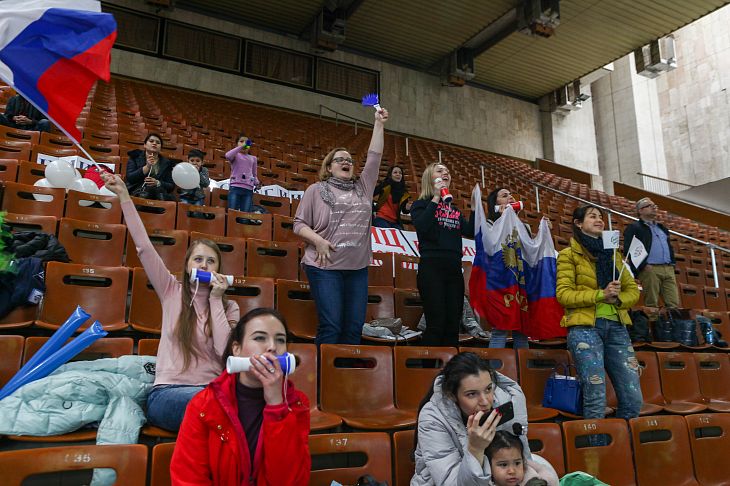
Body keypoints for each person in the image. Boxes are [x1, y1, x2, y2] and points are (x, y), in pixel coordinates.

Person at [101, 171, 240, 431]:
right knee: (211, 407)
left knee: (227, 405)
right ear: (187, 266)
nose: (204, 265)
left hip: (213, 391)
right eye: (198, 259)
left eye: (211, 261)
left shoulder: (229, 306)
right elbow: (144, 247)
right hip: (169, 394)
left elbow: (225, 351)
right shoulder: (170, 291)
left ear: (219, 268)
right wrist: (123, 196)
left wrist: (216, 300)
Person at [171, 308, 310, 485]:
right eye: (260, 338)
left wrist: (277, 406)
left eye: (280, 340)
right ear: (236, 349)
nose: (272, 347)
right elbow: (188, 478)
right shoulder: (203, 405)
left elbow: (290, 481)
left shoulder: (297, 405)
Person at [293, 107, 389, 345]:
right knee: (332, 325)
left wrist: (379, 123)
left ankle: (347, 378)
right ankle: (323, 380)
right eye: (340, 160)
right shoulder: (315, 190)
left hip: (357, 269)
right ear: (329, 167)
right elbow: (299, 224)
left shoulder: (363, 188)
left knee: (354, 328)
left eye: (349, 160)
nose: (346, 162)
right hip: (324, 267)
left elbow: (375, 156)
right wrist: (318, 241)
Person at [556, 205, 643, 422]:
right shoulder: (568, 255)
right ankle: (596, 450)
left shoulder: (614, 255)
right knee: (595, 395)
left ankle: (624, 447)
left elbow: (632, 290)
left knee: (633, 398)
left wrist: (619, 298)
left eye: (601, 217)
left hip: (617, 328)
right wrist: (600, 295)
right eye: (592, 216)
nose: (599, 220)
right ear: (578, 223)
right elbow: (563, 295)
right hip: (585, 329)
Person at [412, 352, 533, 485]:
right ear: (452, 395)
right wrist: (475, 448)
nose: (485, 401)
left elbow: (522, 462)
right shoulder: (432, 418)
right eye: (471, 394)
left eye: (488, 389)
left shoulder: (503, 402)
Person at [410, 163, 474, 347]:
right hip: (432, 268)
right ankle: (430, 370)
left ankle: (450, 371)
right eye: (440, 170)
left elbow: (470, 231)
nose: (446, 172)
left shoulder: (454, 210)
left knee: (453, 325)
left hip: (454, 269)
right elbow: (422, 226)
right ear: (430, 178)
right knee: (436, 324)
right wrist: (437, 197)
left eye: (447, 170)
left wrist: (475, 209)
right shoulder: (420, 205)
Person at [484, 187, 533, 350]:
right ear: (495, 203)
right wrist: (503, 219)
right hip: (499, 283)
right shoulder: (489, 223)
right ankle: (493, 372)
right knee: (500, 330)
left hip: (520, 282)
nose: (510, 197)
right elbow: (488, 248)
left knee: (523, 330)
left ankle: (523, 373)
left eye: (511, 195)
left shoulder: (525, 226)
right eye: (504, 196)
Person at [623, 197, 679, 310]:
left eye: (655, 206)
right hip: (650, 269)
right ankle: (653, 325)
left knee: (674, 303)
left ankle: (672, 326)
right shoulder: (634, 228)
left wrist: (672, 264)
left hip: (668, 268)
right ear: (640, 211)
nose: (654, 207)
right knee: (651, 303)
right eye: (649, 206)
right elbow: (629, 249)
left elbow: (669, 247)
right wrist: (643, 265)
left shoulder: (662, 228)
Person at [485, 431, 559, 486]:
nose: (512, 471)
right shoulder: (479, 482)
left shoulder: (536, 482)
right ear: (488, 465)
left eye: (517, 463)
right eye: (504, 465)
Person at [125, 133, 175, 201]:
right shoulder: (135, 157)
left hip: (158, 194)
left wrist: (157, 183)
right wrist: (147, 167)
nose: (154, 143)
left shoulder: (167, 163)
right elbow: (130, 178)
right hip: (137, 192)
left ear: (160, 148)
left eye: (158, 142)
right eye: (151, 141)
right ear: (145, 145)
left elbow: (171, 186)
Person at [225, 134, 259, 213]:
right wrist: (241, 146)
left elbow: (254, 174)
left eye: (247, 142)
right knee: (232, 212)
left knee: (245, 214)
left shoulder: (253, 158)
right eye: (241, 141)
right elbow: (227, 155)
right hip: (235, 186)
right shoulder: (235, 155)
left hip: (248, 189)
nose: (244, 143)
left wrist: (257, 183)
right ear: (236, 144)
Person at [373, 165, 411, 229]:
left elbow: (404, 210)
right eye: (395, 172)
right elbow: (370, 195)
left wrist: (408, 208)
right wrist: (373, 209)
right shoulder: (385, 185)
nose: (398, 174)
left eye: (400, 173)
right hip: (381, 218)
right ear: (390, 175)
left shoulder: (404, 192)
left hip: (395, 222)